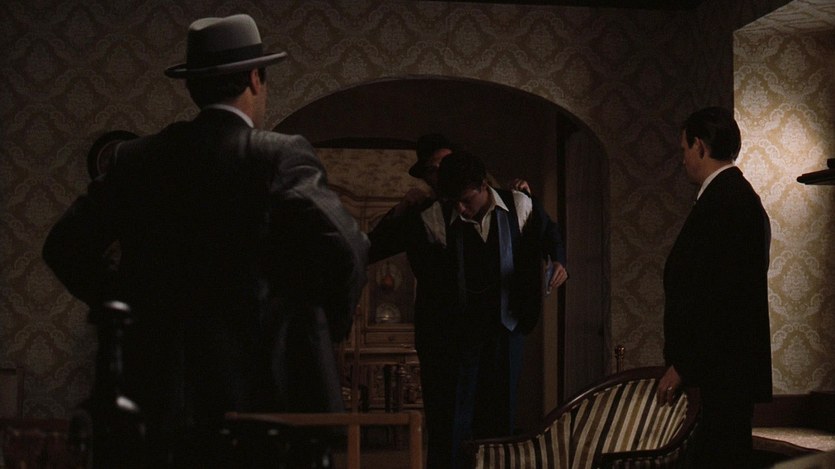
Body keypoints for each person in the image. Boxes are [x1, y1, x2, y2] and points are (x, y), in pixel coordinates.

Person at [42, 14, 368, 467]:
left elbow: (64, 247)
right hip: (261, 399)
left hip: (152, 391)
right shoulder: (277, 155)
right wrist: (316, 326)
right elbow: (347, 248)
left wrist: (128, 306)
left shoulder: (136, 160)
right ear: (255, 78)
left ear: (193, 86)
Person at [368, 135, 567, 468]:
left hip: (505, 331)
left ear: (482, 185)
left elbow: (548, 232)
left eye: (465, 200)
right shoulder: (431, 215)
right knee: (451, 427)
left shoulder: (518, 204)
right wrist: (402, 210)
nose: (460, 208)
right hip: (453, 339)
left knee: (500, 423)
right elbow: (375, 245)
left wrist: (559, 260)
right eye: (434, 170)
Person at [657, 106, 772, 468]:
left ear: (701, 146)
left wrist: (683, 365)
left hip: (721, 374)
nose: (683, 159)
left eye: (685, 149)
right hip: (720, 371)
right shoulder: (729, 197)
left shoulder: (727, 201)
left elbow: (721, 299)